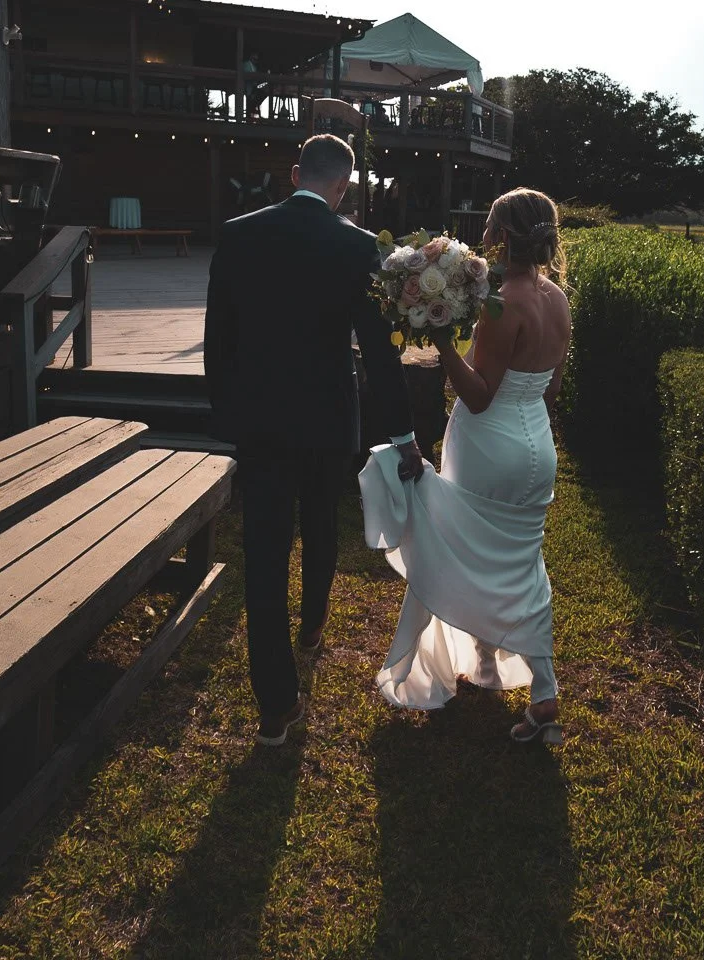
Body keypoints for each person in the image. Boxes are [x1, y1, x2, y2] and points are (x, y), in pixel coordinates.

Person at [204, 134, 423, 746]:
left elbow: (216, 337)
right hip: (329, 419)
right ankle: (315, 624)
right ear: (344, 187)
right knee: (322, 522)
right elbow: (381, 356)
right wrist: (404, 434)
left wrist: (227, 413)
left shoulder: (239, 233)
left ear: (294, 173)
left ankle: (274, 706)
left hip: (261, 420)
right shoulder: (356, 247)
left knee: (265, 552)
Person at [359, 188, 571, 744]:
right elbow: (549, 390)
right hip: (537, 447)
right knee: (522, 562)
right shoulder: (557, 299)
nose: (482, 237)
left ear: (501, 236)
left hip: (488, 444)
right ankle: (537, 687)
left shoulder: (505, 303)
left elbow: (477, 396)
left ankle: (476, 663)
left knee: (458, 549)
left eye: (489, 228)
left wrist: (439, 339)